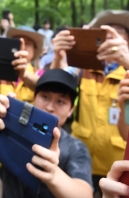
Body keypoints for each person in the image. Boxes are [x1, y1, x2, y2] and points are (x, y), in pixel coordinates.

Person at [0, 69, 93, 198]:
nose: (50, 107)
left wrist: (53, 174)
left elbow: (85, 193)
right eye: (45, 97)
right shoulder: (13, 129)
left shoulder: (75, 147)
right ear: (34, 98)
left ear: (71, 109)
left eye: (60, 101)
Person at [50, 10, 129, 197]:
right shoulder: (83, 70)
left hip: (116, 165)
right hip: (81, 160)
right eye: (105, 34)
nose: (111, 39)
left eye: (118, 33)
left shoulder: (127, 75)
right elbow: (55, 88)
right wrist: (58, 57)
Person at [0, 26, 44, 103]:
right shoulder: (1, 71)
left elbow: (45, 88)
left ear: (35, 50)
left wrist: (23, 74)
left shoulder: (40, 74)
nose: (22, 46)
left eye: (27, 43)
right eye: (17, 42)